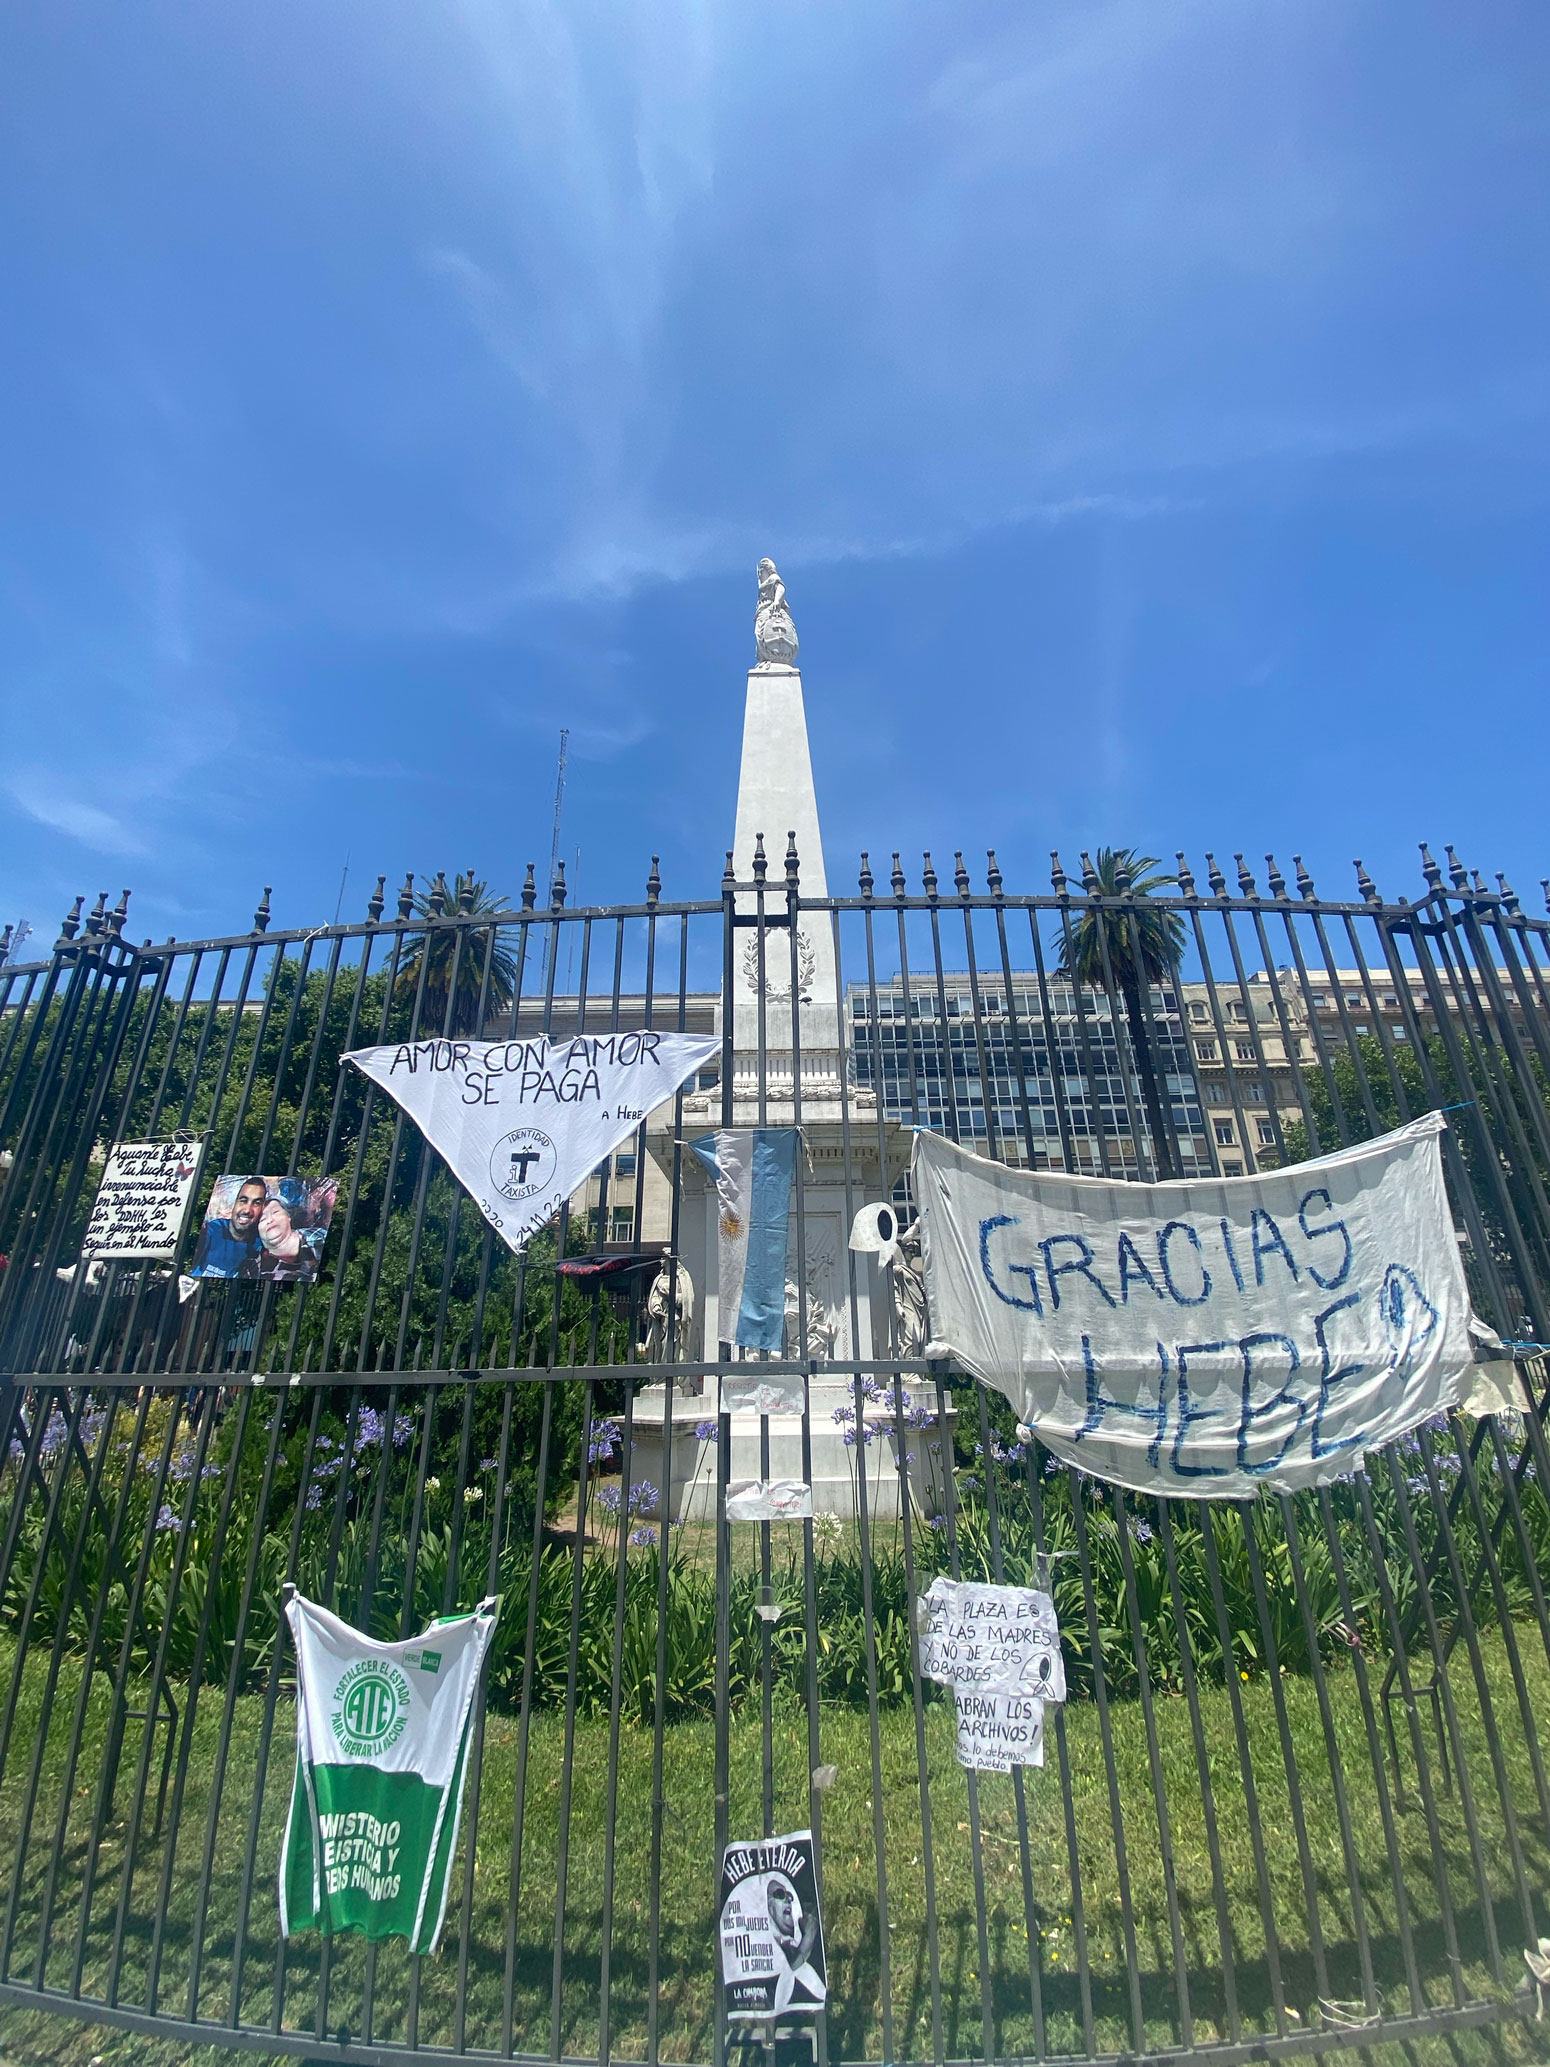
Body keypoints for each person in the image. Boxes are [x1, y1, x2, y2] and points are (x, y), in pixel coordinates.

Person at [765, 1874, 824, 2013]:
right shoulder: (765, 1942)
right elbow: (781, 1979)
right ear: (766, 1904)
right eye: (780, 1894)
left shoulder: (789, 1945)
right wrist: (808, 1939)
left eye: (789, 1896)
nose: (787, 1899)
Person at [190, 1177, 268, 1279]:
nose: (247, 1210)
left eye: (256, 1203)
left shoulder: (262, 1243)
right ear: (234, 1204)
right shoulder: (211, 1230)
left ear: (263, 1209)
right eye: (243, 1200)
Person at [256, 1193, 328, 1284]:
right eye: (262, 1219)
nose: (269, 1220)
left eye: (275, 1212)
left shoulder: (320, 1236)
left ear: (288, 1216)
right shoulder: (252, 1267)